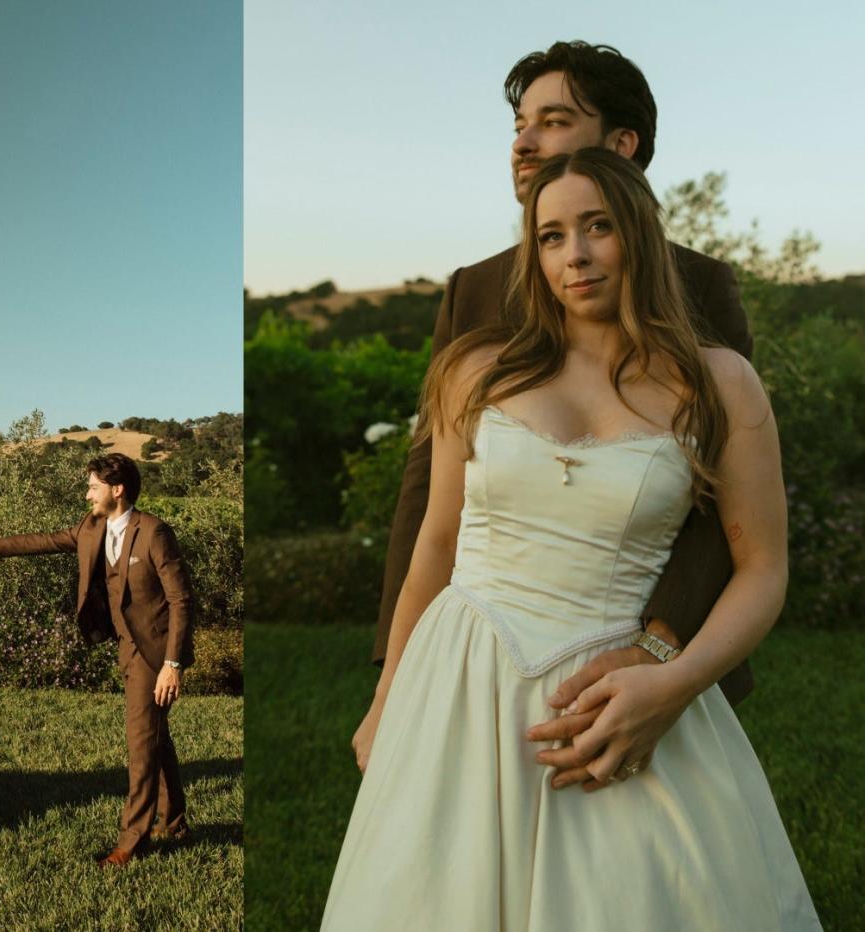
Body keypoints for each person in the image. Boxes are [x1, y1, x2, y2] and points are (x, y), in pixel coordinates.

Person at [321, 148, 820, 929]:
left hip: (613, 697)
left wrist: (673, 682)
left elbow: (761, 568)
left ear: (640, 236)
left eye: (598, 227)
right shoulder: (474, 371)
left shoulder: (720, 383)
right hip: (458, 686)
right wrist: (387, 698)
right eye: (551, 236)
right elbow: (436, 545)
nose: (575, 255)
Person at [372, 42, 755, 793]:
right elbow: (427, 500)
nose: (523, 142)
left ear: (622, 145)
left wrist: (663, 655)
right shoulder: (474, 291)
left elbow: (722, 499)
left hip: (642, 657)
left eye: (552, 121)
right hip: (472, 662)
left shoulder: (703, 288)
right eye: (519, 124)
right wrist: (395, 672)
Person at [0, 452, 194, 867]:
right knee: (153, 735)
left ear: (117, 489)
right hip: (126, 647)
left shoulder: (154, 532)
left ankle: (132, 839)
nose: (86, 493)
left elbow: (181, 601)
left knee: (140, 741)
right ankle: (174, 820)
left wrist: (172, 664)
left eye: (93, 486)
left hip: (156, 651)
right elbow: (41, 542)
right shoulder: (91, 527)